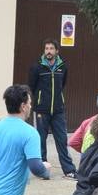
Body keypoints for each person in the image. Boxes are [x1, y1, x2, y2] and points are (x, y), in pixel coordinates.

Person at [28, 40, 74, 177]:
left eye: (51, 48)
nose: (48, 51)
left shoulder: (62, 66)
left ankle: (69, 170)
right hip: (42, 110)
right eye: (46, 48)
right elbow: (32, 86)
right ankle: (42, 170)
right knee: (40, 140)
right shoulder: (37, 67)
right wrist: (38, 101)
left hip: (58, 110)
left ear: (56, 51)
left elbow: (63, 84)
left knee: (62, 139)